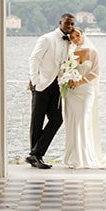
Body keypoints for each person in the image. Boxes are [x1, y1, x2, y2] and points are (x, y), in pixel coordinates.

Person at [26, 12, 74, 169]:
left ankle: (35, 153)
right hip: (41, 84)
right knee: (37, 120)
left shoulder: (69, 42)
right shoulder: (46, 38)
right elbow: (34, 58)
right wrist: (35, 80)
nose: (70, 26)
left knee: (57, 119)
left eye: (72, 24)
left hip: (57, 85)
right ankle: (36, 156)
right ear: (60, 22)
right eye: (67, 23)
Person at [61, 27, 106, 169]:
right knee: (71, 122)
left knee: (82, 121)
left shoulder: (92, 51)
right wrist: (66, 80)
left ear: (82, 35)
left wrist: (79, 81)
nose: (75, 39)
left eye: (77, 35)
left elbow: (96, 72)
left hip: (86, 91)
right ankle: (73, 156)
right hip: (71, 93)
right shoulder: (70, 53)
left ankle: (84, 157)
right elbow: (64, 71)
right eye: (72, 37)